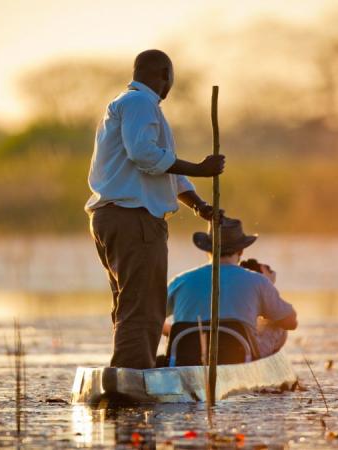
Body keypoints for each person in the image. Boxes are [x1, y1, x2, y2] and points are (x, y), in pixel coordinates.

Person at [85, 49, 225, 369]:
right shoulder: (139, 102)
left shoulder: (132, 105)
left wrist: (199, 205)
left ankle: (129, 372)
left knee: (130, 303)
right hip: (133, 218)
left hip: (116, 217)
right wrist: (202, 168)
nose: (170, 85)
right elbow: (145, 156)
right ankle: (133, 376)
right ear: (164, 75)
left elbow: (163, 170)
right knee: (144, 306)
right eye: (170, 78)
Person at [165, 218, 297, 358]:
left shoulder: (180, 281)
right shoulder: (259, 281)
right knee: (278, 325)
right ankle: (260, 369)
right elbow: (290, 321)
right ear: (241, 251)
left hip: (187, 356)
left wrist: (173, 332)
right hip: (238, 356)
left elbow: (151, 318)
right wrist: (268, 286)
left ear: (207, 250)